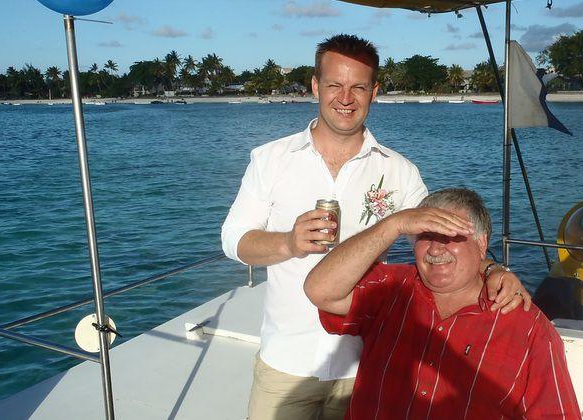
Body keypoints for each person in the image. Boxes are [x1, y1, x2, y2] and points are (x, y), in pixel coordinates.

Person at [220, 35, 530, 420]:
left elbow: (442, 242)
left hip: (364, 365)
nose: (345, 98)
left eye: (358, 87)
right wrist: (289, 242)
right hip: (286, 363)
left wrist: (495, 269)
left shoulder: (398, 172)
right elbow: (234, 241)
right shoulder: (270, 160)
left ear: (374, 92)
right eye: (334, 84)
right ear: (316, 86)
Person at [304, 188, 582, 419]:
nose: (437, 249)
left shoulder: (527, 326)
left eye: (451, 236)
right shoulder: (390, 288)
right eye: (426, 235)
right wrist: (394, 224)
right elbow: (320, 290)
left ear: (482, 244)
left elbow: (554, 414)